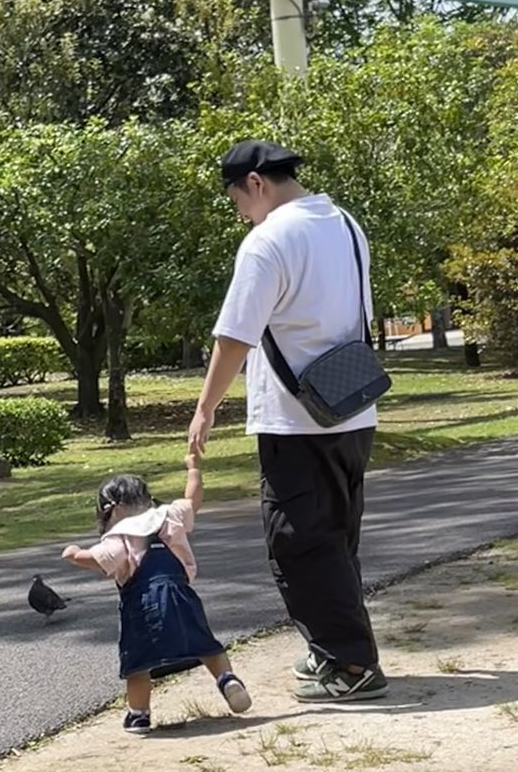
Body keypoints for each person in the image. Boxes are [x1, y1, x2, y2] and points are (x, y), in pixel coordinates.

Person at [187, 139, 387, 703]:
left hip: (296, 419)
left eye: (236, 202)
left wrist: (204, 409)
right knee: (337, 537)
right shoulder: (345, 223)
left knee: (300, 542)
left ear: (255, 184)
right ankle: (331, 653)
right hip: (353, 403)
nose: (240, 215)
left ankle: (352, 667)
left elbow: (234, 337)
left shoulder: (267, 240)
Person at [61, 450, 251, 734]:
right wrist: (193, 469)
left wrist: (75, 554)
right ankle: (226, 678)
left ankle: (139, 715)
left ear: (114, 509)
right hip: (181, 593)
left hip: (141, 603)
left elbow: (100, 559)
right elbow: (193, 499)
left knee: (138, 661)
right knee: (206, 644)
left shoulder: (121, 535)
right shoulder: (169, 515)